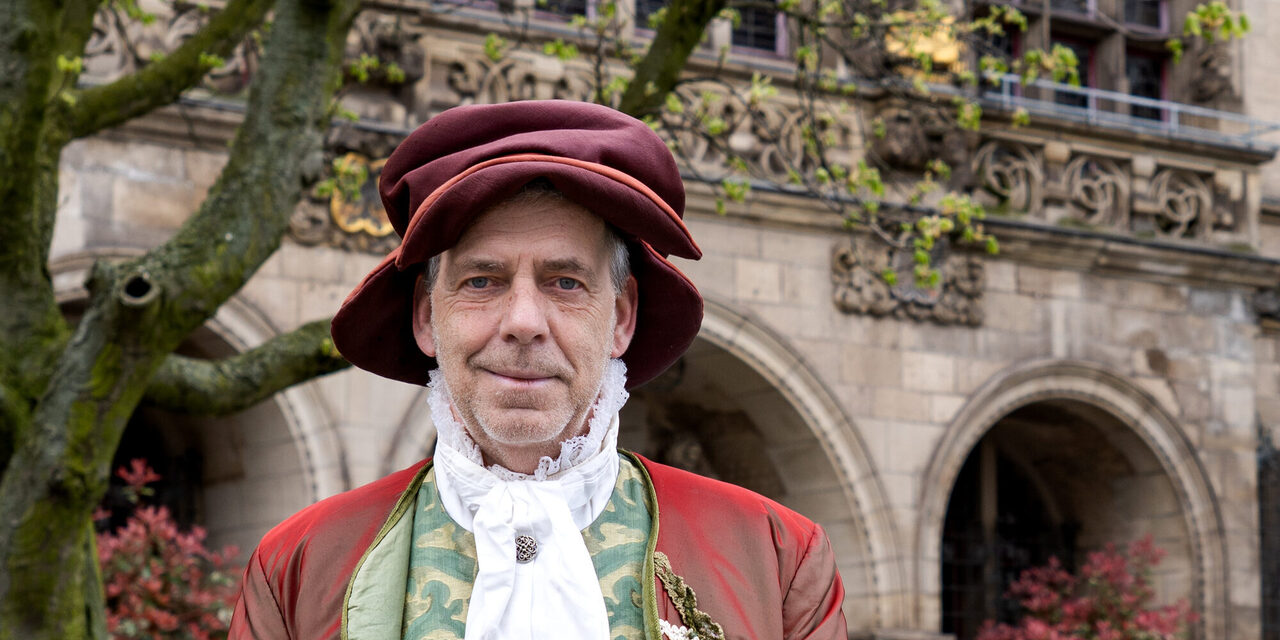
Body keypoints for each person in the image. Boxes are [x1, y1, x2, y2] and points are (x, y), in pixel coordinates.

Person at [229, 100, 846, 640]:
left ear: (622, 318)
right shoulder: (297, 567)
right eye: (481, 280)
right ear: (425, 317)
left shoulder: (779, 557)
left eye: (565, 281)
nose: (524, 320)